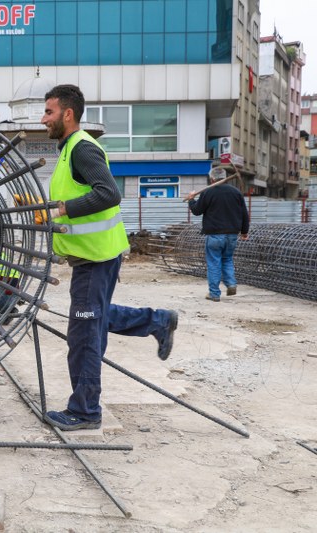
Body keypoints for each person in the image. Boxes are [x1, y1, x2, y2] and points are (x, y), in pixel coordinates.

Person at [40, 84, 178, 431]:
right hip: (92, 256)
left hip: (96, 257)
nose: (44, 119)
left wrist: (62, 209)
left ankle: (85, 411)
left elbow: (109, 194)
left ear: (67, 114)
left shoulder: (82, 148)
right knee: (92, 317)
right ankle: (158, 321)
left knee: (84, 334)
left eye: (49, 112)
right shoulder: (70, 150)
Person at [185, 169, 249, 302]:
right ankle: (231, 284)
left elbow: (197, 211)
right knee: (227, 259)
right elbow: (244, 213)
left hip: (215, 235)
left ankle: (214, 294)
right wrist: (244, 232)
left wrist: (191, 200)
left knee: (214, 263)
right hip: (232, 234)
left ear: (212, 179)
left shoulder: (208, 192)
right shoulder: (236, 192)